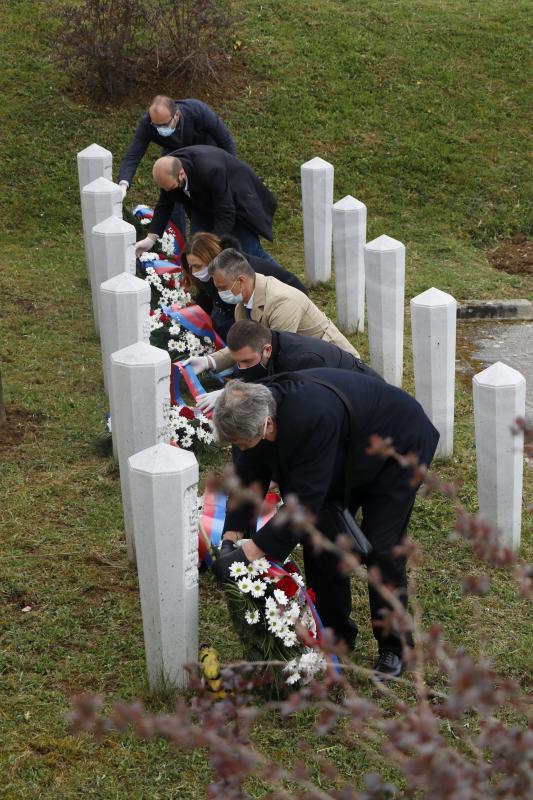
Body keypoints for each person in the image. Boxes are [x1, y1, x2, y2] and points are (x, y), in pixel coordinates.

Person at [211, 375, 440, 678]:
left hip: (397, 447)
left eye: (241, 442)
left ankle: (395, 648)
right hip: (344, 453)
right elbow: (248, 476)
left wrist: (252, 550)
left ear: (267, 425)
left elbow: (305, 501)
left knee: (383, 548)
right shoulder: (251, 413)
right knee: (319, 542)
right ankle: (335, 634)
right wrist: (233, 537)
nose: (239, 447)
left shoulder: (310, 415)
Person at [185, 249, 360, 375]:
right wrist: (210, 361)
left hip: (336, 366)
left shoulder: (281, 302)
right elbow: (246, 345)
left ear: (240, 280)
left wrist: (237, 391)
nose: (220, 293)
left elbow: (277, 356)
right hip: (304, 362)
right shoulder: (242, 305)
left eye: (223, 288)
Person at [134, 147, 278, 264]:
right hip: (202, 204)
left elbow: (226, 211)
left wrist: (213, 243)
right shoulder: (167, 174)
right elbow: (164, 204)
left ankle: (288, 285)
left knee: (249, 253)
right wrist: (151, 238)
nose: (167, 191)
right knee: (197, 251)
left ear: (181, 174)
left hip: (238, 201)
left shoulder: (211, 169)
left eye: (170, 187)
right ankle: (209, 292)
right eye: (164, 188)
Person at [196, 321, 382, 412]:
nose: (241, 367)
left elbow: (304, 407)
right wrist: (231, 390)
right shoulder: (265, 347)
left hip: (364, 399)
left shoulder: (302, 361)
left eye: (246, 361)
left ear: (267, 350)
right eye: (238, 361)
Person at [117, 95, 235, 235]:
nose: (160, 129)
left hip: (207, 155)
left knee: (210, 200)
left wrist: (230, 175)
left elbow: (226, 141)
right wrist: (123, 185)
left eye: (164, 125)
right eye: (156, 125)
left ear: (177, 115)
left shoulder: (197, 111)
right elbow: (133, 155)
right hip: (174, 152)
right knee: (170, 191)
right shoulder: (148, 123)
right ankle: (179, 241)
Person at [182, 234, 308, 341]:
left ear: (211, 259)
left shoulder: (237, 270)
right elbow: (208, 294)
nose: (193, 272)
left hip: (283, 304)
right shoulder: (216, 272)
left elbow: (272, 345)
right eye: (190, 266)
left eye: (197, 266)